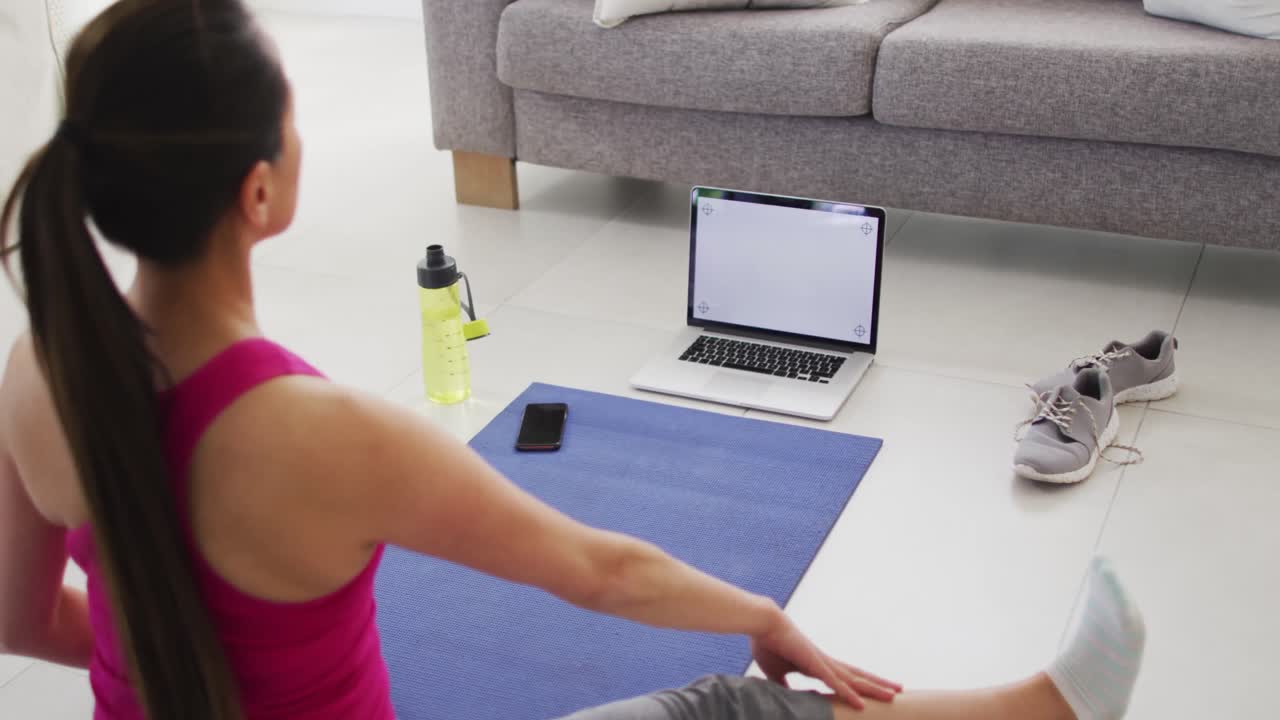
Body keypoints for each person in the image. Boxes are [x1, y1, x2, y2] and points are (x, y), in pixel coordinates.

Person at [0, 2, 1146, 719]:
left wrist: (167, 659)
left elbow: (19, 618)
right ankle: (1037, 713)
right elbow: (599, 572)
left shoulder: (33, 374)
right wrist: (762, 611)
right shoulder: (322, 432)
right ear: (259, 190)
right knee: (731, 707)